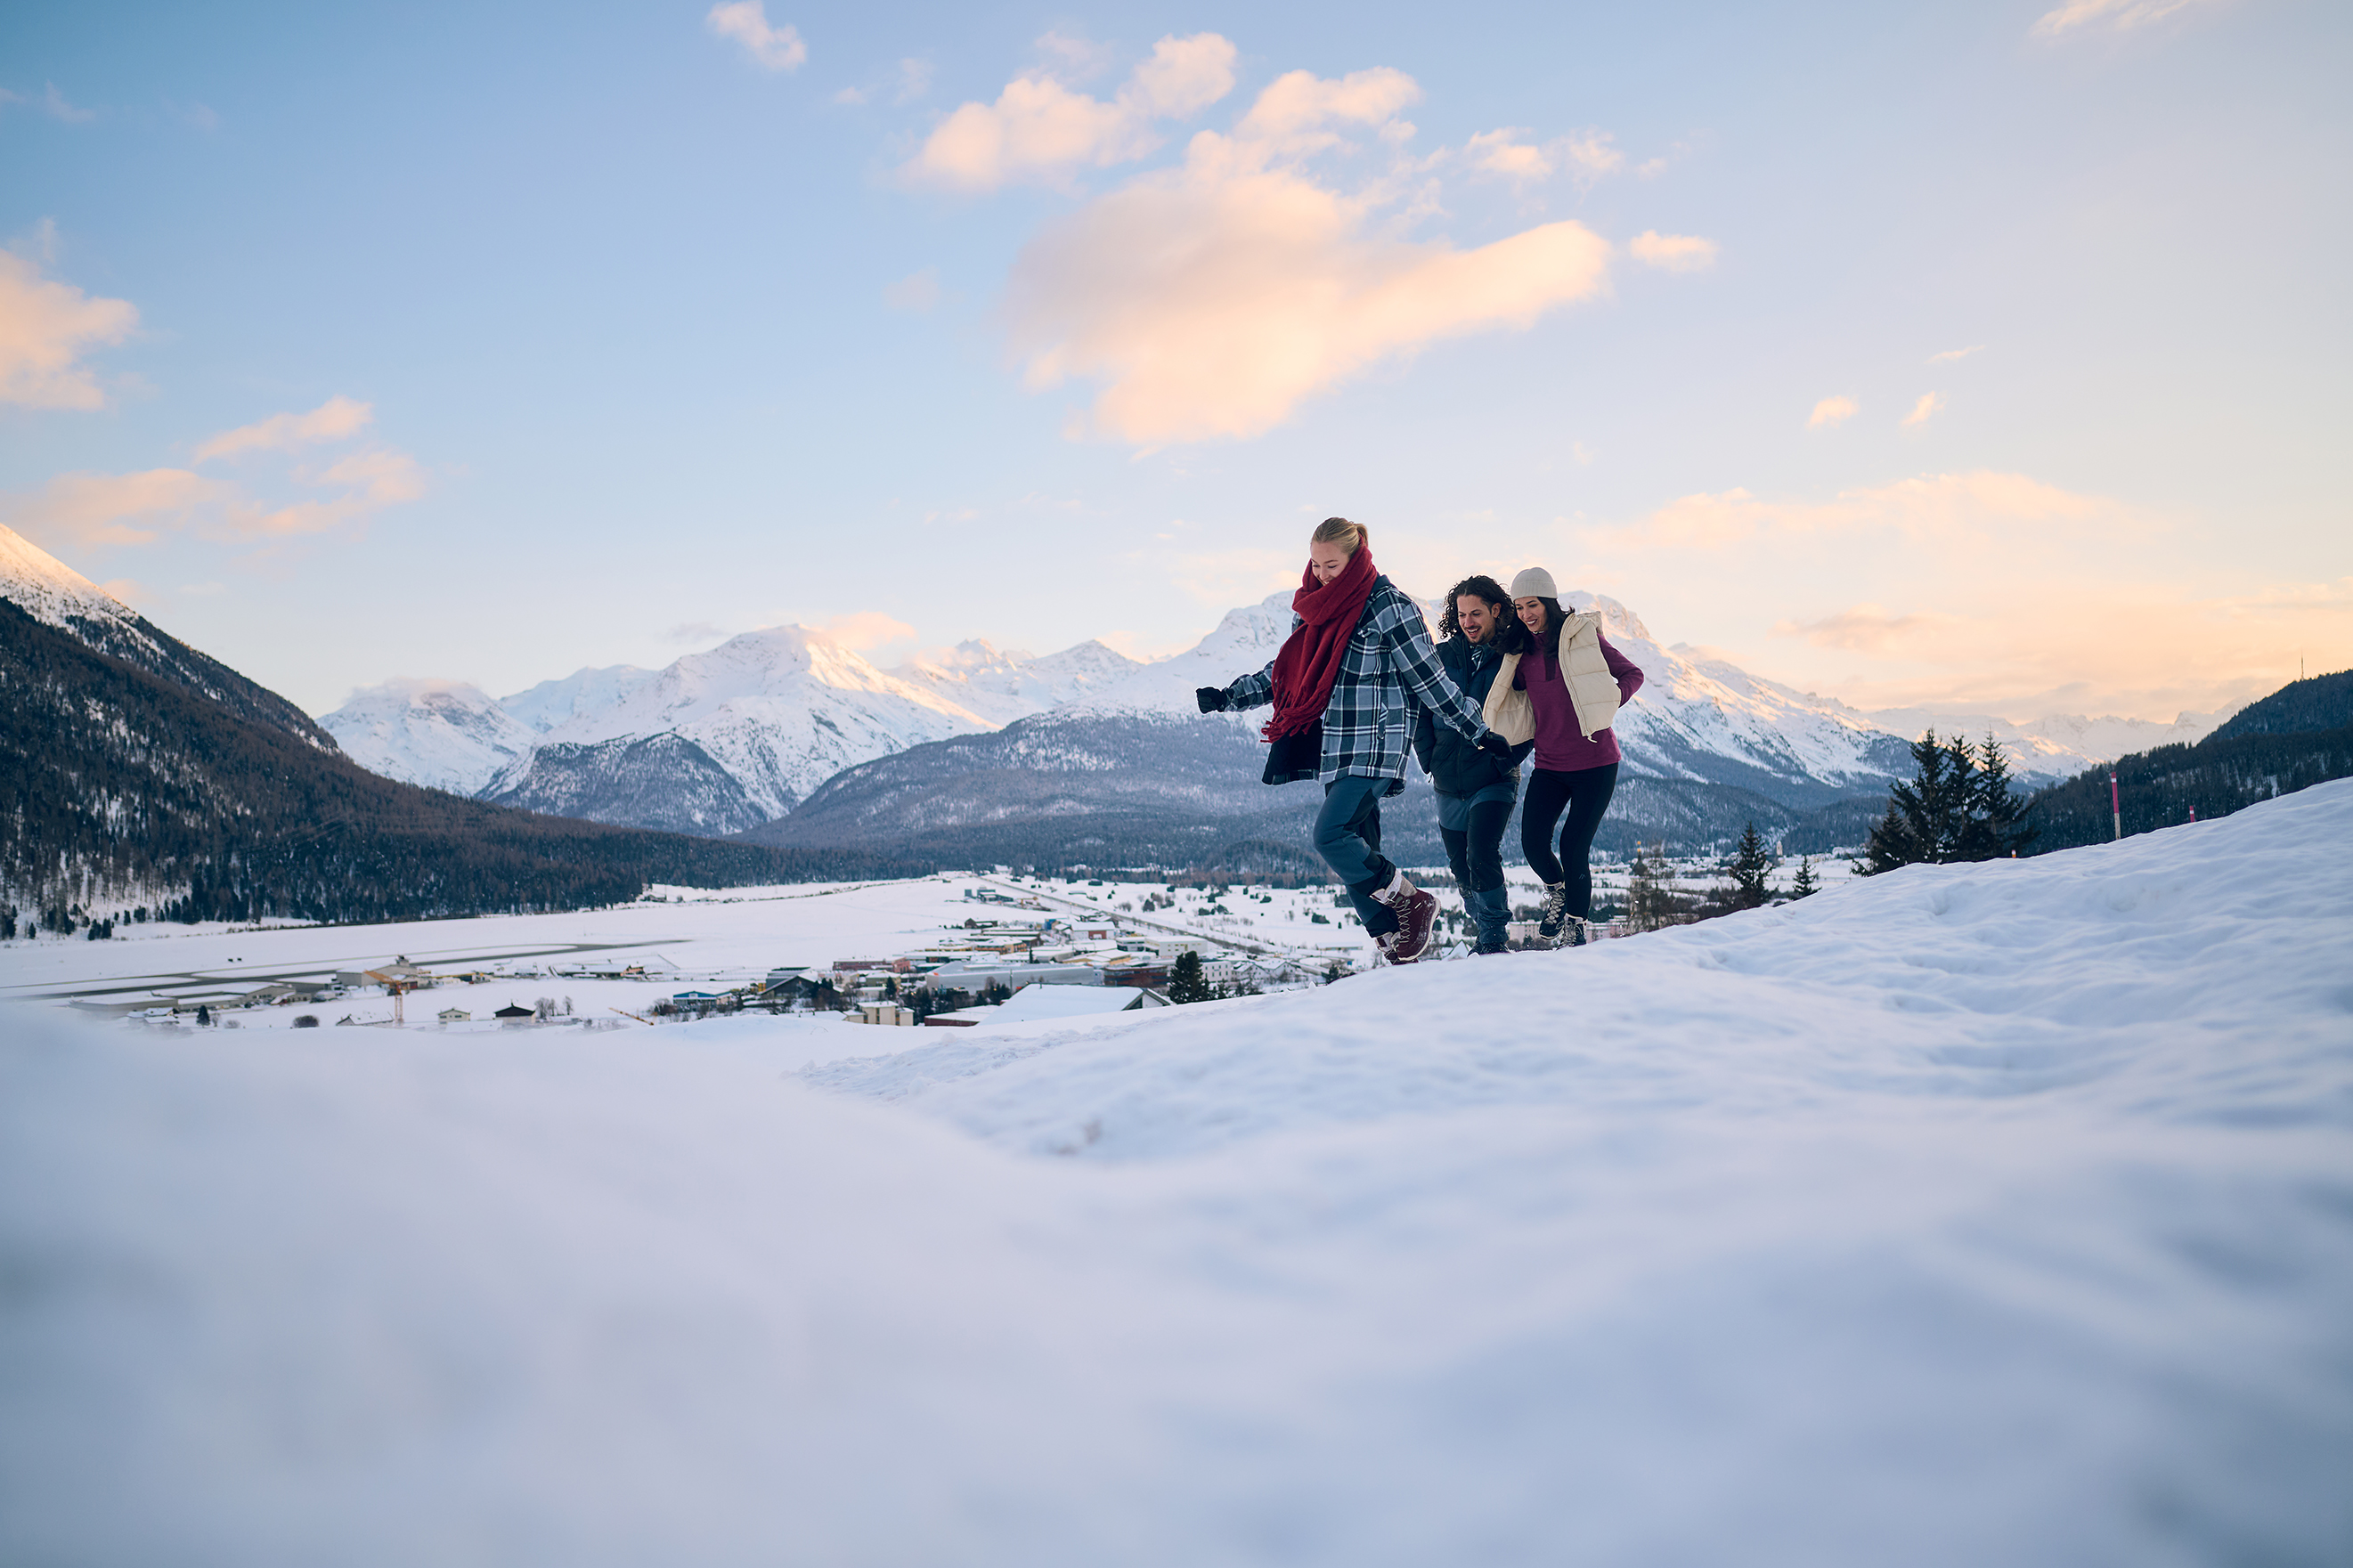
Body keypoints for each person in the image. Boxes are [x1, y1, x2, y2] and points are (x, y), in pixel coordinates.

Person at [1196, 518, 1514, 964]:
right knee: (1359, 851)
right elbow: (1290, 671)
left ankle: (1412, 900)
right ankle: (1395, 947)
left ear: (1356, 556)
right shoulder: (1312, 609)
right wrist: (1230, 696)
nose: (1322, 574)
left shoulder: (1389, 606)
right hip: (1337, 748)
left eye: (1331, 564)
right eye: (1316, 564)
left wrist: (1478, 732)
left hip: (1377, 746)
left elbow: (1430, 680)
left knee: (1330, 835)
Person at [1485, 567, 1645, 946]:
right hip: (1550, 766)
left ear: (1550, 603)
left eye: (1533, 605)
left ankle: (1576, 924)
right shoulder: (1518, 650)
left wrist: (1606, 703)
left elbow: (1632, 674)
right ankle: (1557, 891)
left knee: (1574, 846)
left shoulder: (1582, 637)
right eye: (1520, 607)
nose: (1526, 613)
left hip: (1597, 764)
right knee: (1533, 843)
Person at [1414, 575, 1534, 955]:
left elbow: (1533, 713)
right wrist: (1428, 757)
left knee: (1481, 853)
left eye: (1476, 613)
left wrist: (1509, 757)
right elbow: (1421, 707)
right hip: (1447, 777)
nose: (1468, 621)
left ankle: (1493, 940)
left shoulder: (1514, 656)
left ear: (1496, 611)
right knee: (1461, 868)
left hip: (1495, 777)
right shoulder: (1442, 656)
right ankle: (1484, 927)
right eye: (1462, 614)